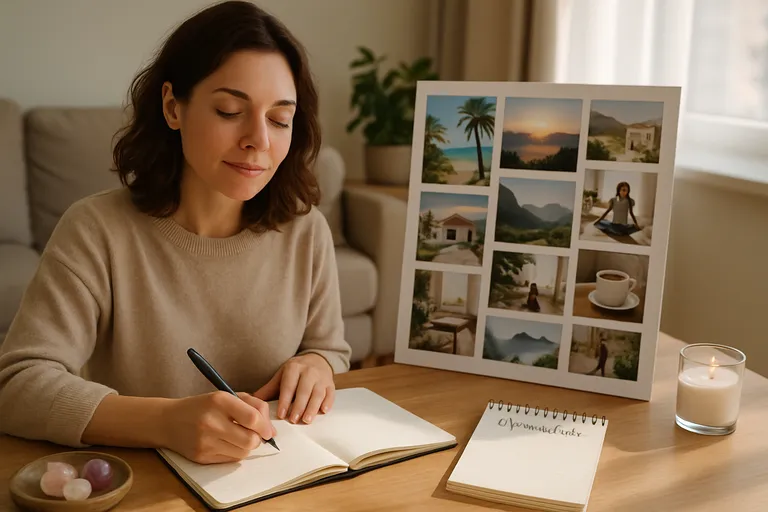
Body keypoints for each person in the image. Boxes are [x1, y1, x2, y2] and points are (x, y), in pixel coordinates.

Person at [0, 1, 351, 465]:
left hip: (273, 479)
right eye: (230, 110)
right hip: (138, 483)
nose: (259, 141)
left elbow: (329, 347)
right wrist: (166, 423)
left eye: (279, 119)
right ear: (172, 107)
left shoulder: (306, 232)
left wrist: (318, 364)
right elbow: (17, 384)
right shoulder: (96, 230)